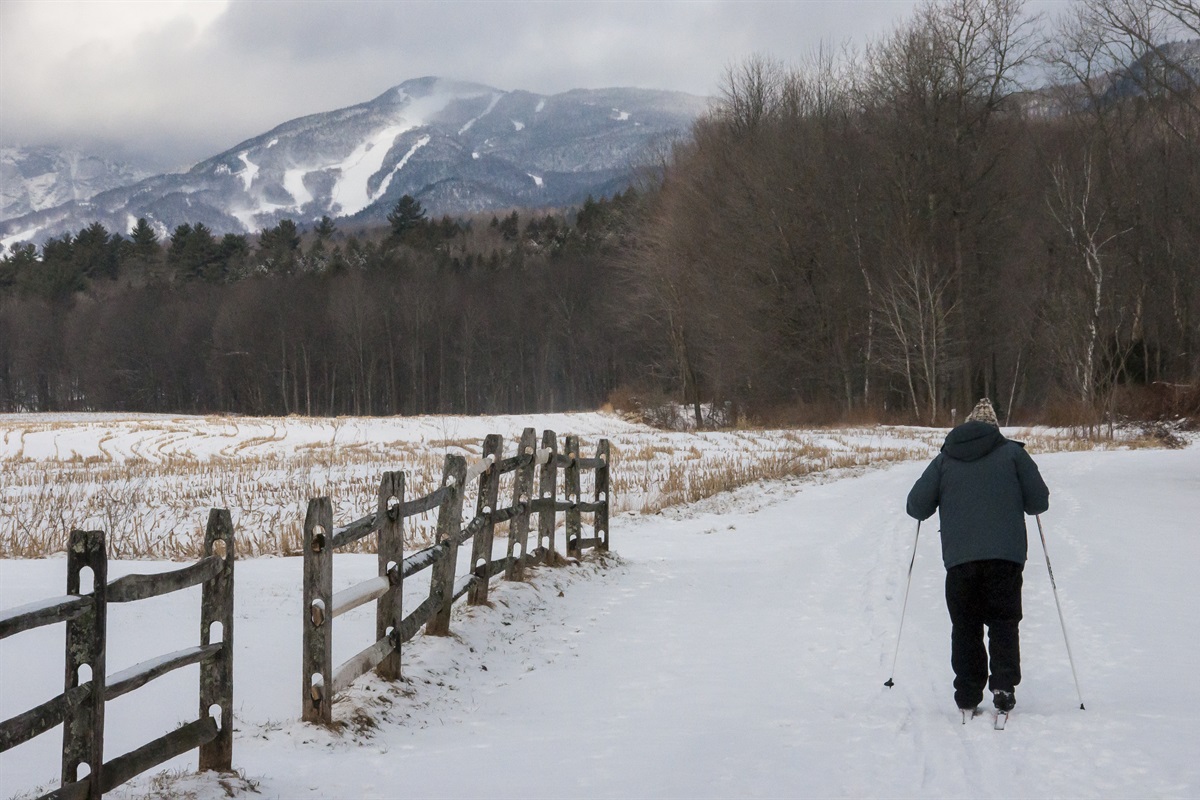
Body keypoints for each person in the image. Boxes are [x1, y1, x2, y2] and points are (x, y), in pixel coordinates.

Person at [906, 398, 1050, 715]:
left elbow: (916, 506)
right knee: (1003, 621)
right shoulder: (1014, 454)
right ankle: (1003, 685)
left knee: (966, 625)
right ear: (995, 429)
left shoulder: (944, 460)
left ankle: (968, 694)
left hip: (960, 560)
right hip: (1006, 557)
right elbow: (1038, 502)